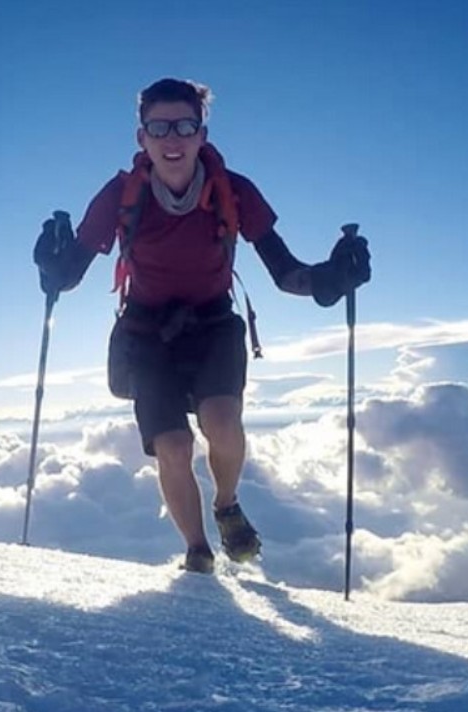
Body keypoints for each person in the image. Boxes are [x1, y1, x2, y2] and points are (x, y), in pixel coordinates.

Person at [34, 78, 371, 574]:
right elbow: (71, 273)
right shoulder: (119, 196)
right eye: (160, 127)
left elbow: (285, 273)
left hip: (214, 324)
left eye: (185, 126)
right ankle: (198, 551)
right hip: (146, 334)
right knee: (173, 446)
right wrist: (53, 266)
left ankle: (226, 504)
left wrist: (330, 279)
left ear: (202, 134)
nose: (173, 138)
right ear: (141, 137)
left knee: (223, 424)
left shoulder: (233, 191)